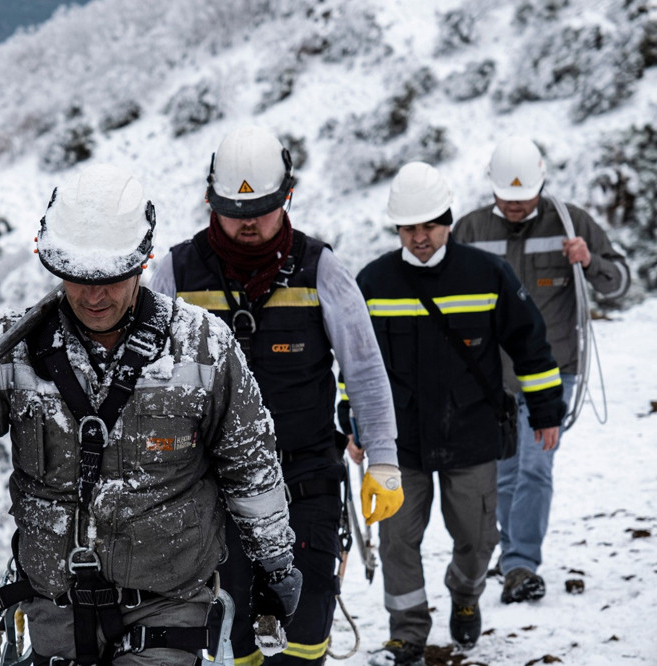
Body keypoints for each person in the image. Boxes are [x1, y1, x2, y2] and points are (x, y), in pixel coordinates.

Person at [0, 163, 302, 665]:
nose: (94, 295)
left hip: (169, 607)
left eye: (111, 278)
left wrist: (274, 567)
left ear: (143, 260)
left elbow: (250, 468)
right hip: (53, 611)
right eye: (78, 279)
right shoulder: (5, 350)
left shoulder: (203, 347)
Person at [150, 125, 404, 666]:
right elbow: (142, 383)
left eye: (261, 209)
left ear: (286, 196)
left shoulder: (322, 271)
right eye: (233, 210)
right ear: (209, 199)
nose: (247, 223)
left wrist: (383, 459)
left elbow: (364, 371)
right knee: (229, 641)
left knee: (303, 641)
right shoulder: (175, 274)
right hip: (209, 493)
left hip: (305, 486)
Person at [356, 162, 566, 666]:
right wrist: (355, 420)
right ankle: (406, 633)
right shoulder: (374, 282)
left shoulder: (487, 274)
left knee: (477, 536)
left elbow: (530, 344)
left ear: (447, 221)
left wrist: (546, 410)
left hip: (471, 432)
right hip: (398, 441)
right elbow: (357, 364)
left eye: (429, 225)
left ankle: (466, 595)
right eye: (408, 227)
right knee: (397, 541)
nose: (419, 237)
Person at [454, 136, 630, 604]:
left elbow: (619, 283)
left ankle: (520, 565)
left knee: (535, 467)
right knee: (505, 474)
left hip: (554, 372)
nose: (515, 205)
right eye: (506, 197)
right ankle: (513, 558)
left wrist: (590, 262)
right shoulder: (469, 230)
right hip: (491, 379)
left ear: (542, 184)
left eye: (524, 196)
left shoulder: (571, 224)